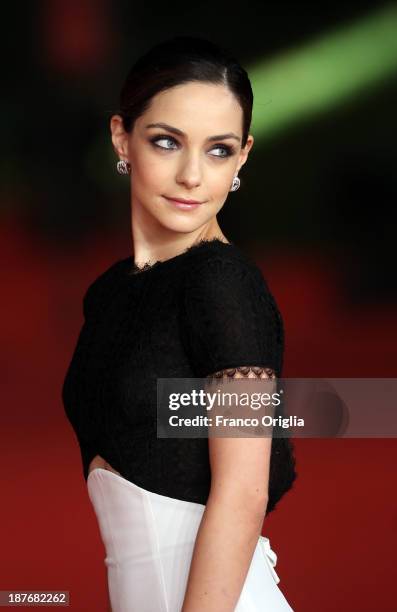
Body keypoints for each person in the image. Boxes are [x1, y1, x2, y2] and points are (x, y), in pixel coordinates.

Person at [62, 35, 297, 611]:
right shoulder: (111, 293)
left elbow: (242, 492)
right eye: (167, 141)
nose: (193, 175)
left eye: (218, 150)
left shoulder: (222, 283)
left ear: (242, 156)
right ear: (123, 137)